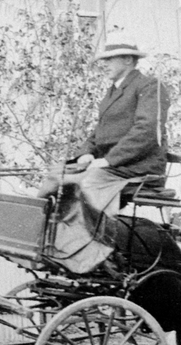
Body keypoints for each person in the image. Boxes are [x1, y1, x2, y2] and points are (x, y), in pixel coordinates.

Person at [62, 38, 170, 215]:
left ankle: (95, 239)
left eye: (109, 59)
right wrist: (86, 153)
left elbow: (146, 130)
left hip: (138, 167)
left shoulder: (149, 86)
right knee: (57, 177)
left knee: (90, 182)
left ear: (128, 59)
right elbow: (100, 130)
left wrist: (108, 160)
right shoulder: (112, 91)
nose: (104, 64)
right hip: (114, 166)